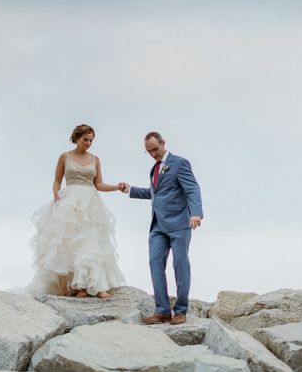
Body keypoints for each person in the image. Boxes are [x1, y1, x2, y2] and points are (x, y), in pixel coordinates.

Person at [26, 124, 126, 299]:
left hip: (90, 202)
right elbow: (57, 181)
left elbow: (99, 184)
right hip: (69, 200)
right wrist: (56, 195)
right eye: (85, 139)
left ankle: (96, 285)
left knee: (91, 241)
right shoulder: (65, 157)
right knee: (70, 242)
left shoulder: (95, 159)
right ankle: (78, 287)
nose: (88, 143)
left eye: (91, 140)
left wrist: (116, 187)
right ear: (77, 138)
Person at [120, 131, 203, 324]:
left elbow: (192, 189)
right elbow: (155, 193)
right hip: (157, 226)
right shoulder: (154, 169)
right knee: (155, 262)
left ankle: (181, 310)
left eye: (156, 149)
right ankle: (162, 310)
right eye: (149, 152)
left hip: (180, 224)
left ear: (163, 143)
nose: (154, 154)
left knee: (180, 265)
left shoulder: (180, 163)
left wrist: (196, 213)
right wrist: (130, 189)